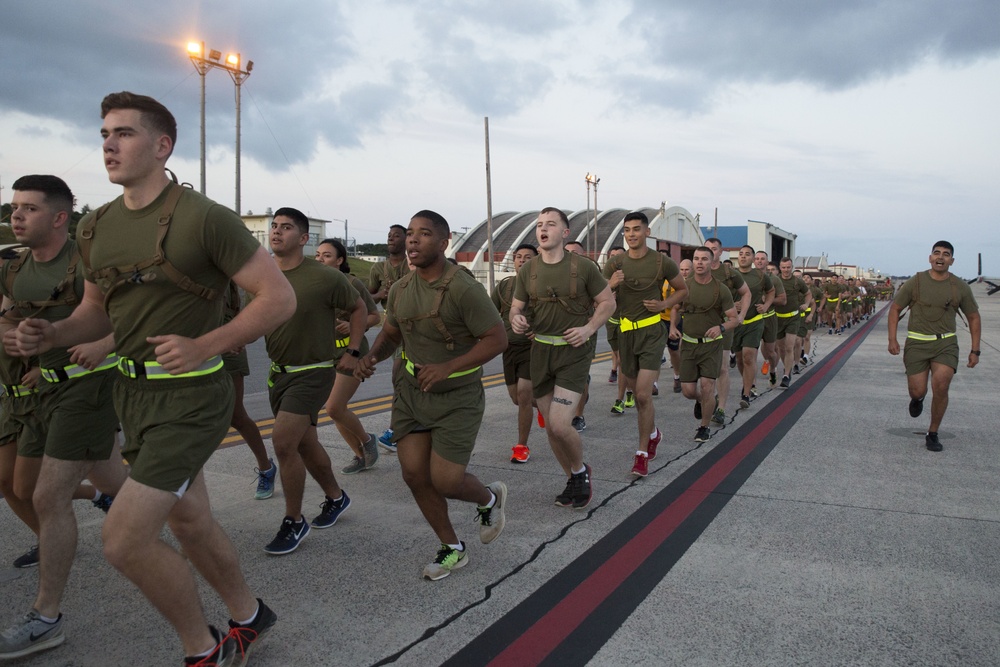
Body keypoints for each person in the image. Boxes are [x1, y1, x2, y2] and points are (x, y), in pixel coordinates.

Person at [11, 92, 291, 665]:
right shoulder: (95, 227)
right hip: (131, 395)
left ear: (162, 146)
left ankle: (203, 650)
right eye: (104, 134)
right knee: (189, 519)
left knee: (124, 539)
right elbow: (96, 311)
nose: (109, 144)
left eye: (124, 133)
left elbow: (278, 296)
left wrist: (206, 344)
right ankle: (250, 616)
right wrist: (53, 334)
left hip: (192, 396)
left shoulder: (202, 217)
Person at [0, 175, 129, 660]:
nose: (16, 215)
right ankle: (170, 502)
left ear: (58, 217)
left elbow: (129, 314)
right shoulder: (14, 268)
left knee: (48, 496)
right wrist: (12, 337)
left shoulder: (87, 262)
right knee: (34, 485)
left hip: (87, 388)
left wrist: (100, 343)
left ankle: (45, 617)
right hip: (41, 394)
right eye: (14, 207)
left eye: (28, 208)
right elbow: (8, 317)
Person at [357, 210, 508, 580]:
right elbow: (392, 333)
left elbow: (497, 339)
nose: (412, 240)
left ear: (443, 244)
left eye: (423, 234)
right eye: (410, 233)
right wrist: (371, 357)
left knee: (446, 481)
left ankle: (489, 499)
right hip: (411, 393)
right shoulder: (401, 289)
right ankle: (452, 548)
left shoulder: (463, 287)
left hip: (457, 397)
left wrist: (449, 366)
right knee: (413, 475)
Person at [263, 211, 366, 555]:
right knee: (305, 445)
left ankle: (294, 520)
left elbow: (359, 310)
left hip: (314, 372)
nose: (277, 232)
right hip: (278, 373)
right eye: (274, 226)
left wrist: (352, 350)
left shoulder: (323, 277)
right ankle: (336, 497)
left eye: (286, 227)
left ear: (304, 238)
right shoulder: (262, 273)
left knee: (282, 443)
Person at [509, 208, 615, 508]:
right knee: (552, 431)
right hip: (540, 352)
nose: (543, 229)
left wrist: (589, 328)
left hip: (574, 353)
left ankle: (581, 472)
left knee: (558, 424)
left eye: (551, 224)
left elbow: (608, 302)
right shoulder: (527, 271)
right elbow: (516, 308)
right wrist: (516, 318)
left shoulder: (583, 268)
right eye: (540, 225)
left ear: (565, 232)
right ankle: (572, 478)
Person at [603, 212, 686, 477]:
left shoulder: (662, 262)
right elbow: (599, 298)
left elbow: (683, 290)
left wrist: (663, 305)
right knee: (638, 399)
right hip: (626, 333)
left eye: (636, 229)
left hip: (652, 332)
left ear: (647, 232)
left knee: (642, 394)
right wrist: (610, 285)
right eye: (627, 230)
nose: (631, 234)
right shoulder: (615, 263)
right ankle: (653, 433)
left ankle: (641, 454)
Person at [888, 241, 981, 452]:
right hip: (917, 343)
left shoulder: (960, 287)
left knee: (941, 385)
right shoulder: (916, 282)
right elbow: (895, 309)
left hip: (945, 343)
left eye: (946, 254)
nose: (941, 257)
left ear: (952, 260)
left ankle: (933, 432)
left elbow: (973, 317)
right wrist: (892, 339)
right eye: (936, 253)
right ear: (930, 257)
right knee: (917, 389)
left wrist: (975, 350)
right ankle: (917, 399)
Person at [316, 238, 382, 474]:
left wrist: (354, 325)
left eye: (326, 255)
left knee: (334, 407)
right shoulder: (314, 284)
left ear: (340, 260)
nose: (320, 259)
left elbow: (375, 316)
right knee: (335, 410)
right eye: (318, 255)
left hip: (352, 352)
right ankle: (360, 456)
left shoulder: (352, 283)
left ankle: (367, 441)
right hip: (325, 354)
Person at [670, 247, 738, 443]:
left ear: (712, 262)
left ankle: (704, 427)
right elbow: (675, 308)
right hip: (689, 345)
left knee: (708, 385)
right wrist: (672, 326)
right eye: (696, 259)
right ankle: (703, 401)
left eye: (704, 259)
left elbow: (734, 319)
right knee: (688, 391)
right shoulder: (684, 286)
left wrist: (721, 328)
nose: (699, 262)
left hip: (711, 346)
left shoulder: (721, 289)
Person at [222, 280, 277, 500]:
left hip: (228, 348)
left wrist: (239, 336)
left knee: (236, 416)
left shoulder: (226, 273)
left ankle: (266, 467)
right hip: (192, 346)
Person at [491, 242, 538, 463]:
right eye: (519, 257)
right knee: (516, 398)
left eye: (528, 257)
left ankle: (522, 446)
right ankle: (546, 408)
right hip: (508, 349)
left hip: (532, 349)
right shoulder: (504, 287)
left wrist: (539, 331)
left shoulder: (543, 287)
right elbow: (489, 314)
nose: (522, 260)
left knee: (524, 394)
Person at [370, 224, 410, 451]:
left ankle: (401, 428)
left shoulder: (411, 265)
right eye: (389, 236)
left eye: (397, 236)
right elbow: (368, 299)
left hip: (414, 324)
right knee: (398, 377)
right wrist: (380, 294)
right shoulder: (378, 268)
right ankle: (396, 430)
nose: (391, 239)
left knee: (406, 377)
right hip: (393, 326)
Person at [703, 238, 750, 425]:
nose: (711, 252)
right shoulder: (695, 272)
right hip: (702, 327)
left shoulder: (730, 273)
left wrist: (742, 315)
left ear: (720, 252)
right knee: (704, 370)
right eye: (707, 249)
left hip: (724, 326)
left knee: (722, 367)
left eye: (714, 249)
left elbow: (747, 293)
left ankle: (721, 408)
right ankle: (708, 400)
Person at [733, 245, 775, 409]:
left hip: (754, 320)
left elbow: (771, 292)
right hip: (736, 322)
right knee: (739, 358)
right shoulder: (731, 275)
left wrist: (766, 306)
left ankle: (747, 392)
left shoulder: (760, 275)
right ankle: (747, 382)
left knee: (749, 356)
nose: (743, 257)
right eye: (741, 254)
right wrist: (731, 304)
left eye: (747, 254)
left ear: (752, 258)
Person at [563, 240, 599, 430]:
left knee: (581, 377)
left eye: (575, 253)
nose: (571, 256)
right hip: (560, 333)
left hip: (584, 333)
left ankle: (579, 415)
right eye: (567, 252)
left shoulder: (590, 275)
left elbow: (605, 302)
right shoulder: (556, 274)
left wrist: (590, 326)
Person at [773, 258, 813, 388]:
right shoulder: (775, 280)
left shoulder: (798, 282)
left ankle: (786, 375)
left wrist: (806, 304)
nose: (786, 270)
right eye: (783, 267)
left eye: (788, 267)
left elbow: (808, 294)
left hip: (793, 318)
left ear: (792, 267)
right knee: (781, 348)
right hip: (778, 318)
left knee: (790, 346)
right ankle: (787, 367)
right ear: (780, 267)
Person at [659, 251, 685, 394]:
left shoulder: (676, 278)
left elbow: (678, 304)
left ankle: (677, 375)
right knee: (656, 351)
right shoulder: (654, 277)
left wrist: (673, 326)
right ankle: (654, 384)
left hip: (674, 319)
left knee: (674, 351)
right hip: (659, 319)